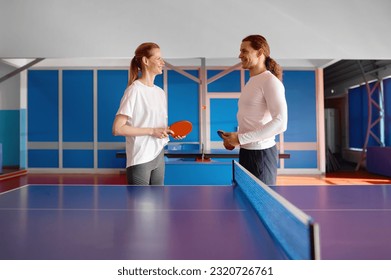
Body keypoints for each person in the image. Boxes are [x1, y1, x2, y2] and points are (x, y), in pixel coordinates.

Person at [222, 35, 288, 185]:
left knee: (261, 206)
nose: (240, 55)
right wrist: (235, 138)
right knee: (245, 203)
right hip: (246, 152)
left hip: (261, 156)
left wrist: (240, 139)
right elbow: (254, 121)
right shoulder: (252, 81)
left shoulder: (270, 82)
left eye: (244, 51)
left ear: (259, 53)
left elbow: (281, 122)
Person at [112, 42, 177, 185]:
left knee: (157, 203)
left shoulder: (160, 93)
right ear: (146, 61)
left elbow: (156, 126)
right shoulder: (134, 90)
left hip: (159, 155)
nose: (163, 62)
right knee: (141, 206)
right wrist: (152, 131)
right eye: (158, 58)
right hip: (140, 157)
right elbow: (118, 128)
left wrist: (169, 131)